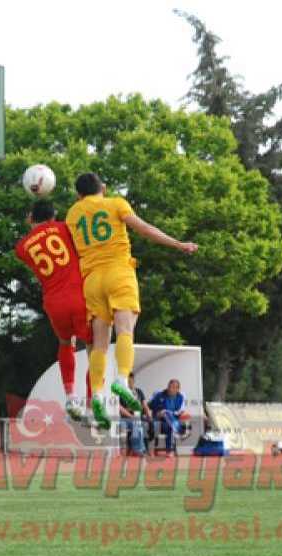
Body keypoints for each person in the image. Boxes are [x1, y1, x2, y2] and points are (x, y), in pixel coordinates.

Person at [65, 172, 197, 429]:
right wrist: (178, 244)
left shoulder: (72, 214)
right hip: (119, 271)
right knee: (125, 330)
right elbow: (145, 229)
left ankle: (99, 394)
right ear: (102, 187)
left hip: (91, 279)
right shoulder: (115, 203)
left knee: (99, 342)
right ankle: (123, 381)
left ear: (79, 195)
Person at [14, 199, 92, 415]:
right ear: (54, 215)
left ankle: (70, 397)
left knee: (66, 342)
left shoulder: (22, 247)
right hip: (80, 296)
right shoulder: (65, 228)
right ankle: (91, 404)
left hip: (54, 302)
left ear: (30, 218)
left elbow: (34, 244)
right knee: (95, 348)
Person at [150, 379, 188, 457]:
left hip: (172, 420)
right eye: (170, 387)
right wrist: (158, 414)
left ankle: (169, 450)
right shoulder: (159, 395)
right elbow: (151, 407)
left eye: (174, 387)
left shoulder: (180, 397)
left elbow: (180, 411)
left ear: (178, 389)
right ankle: (152, 448)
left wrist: (169, 413)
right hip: (159, 420)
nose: (171, 389)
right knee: (154, 424)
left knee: (171, 425)